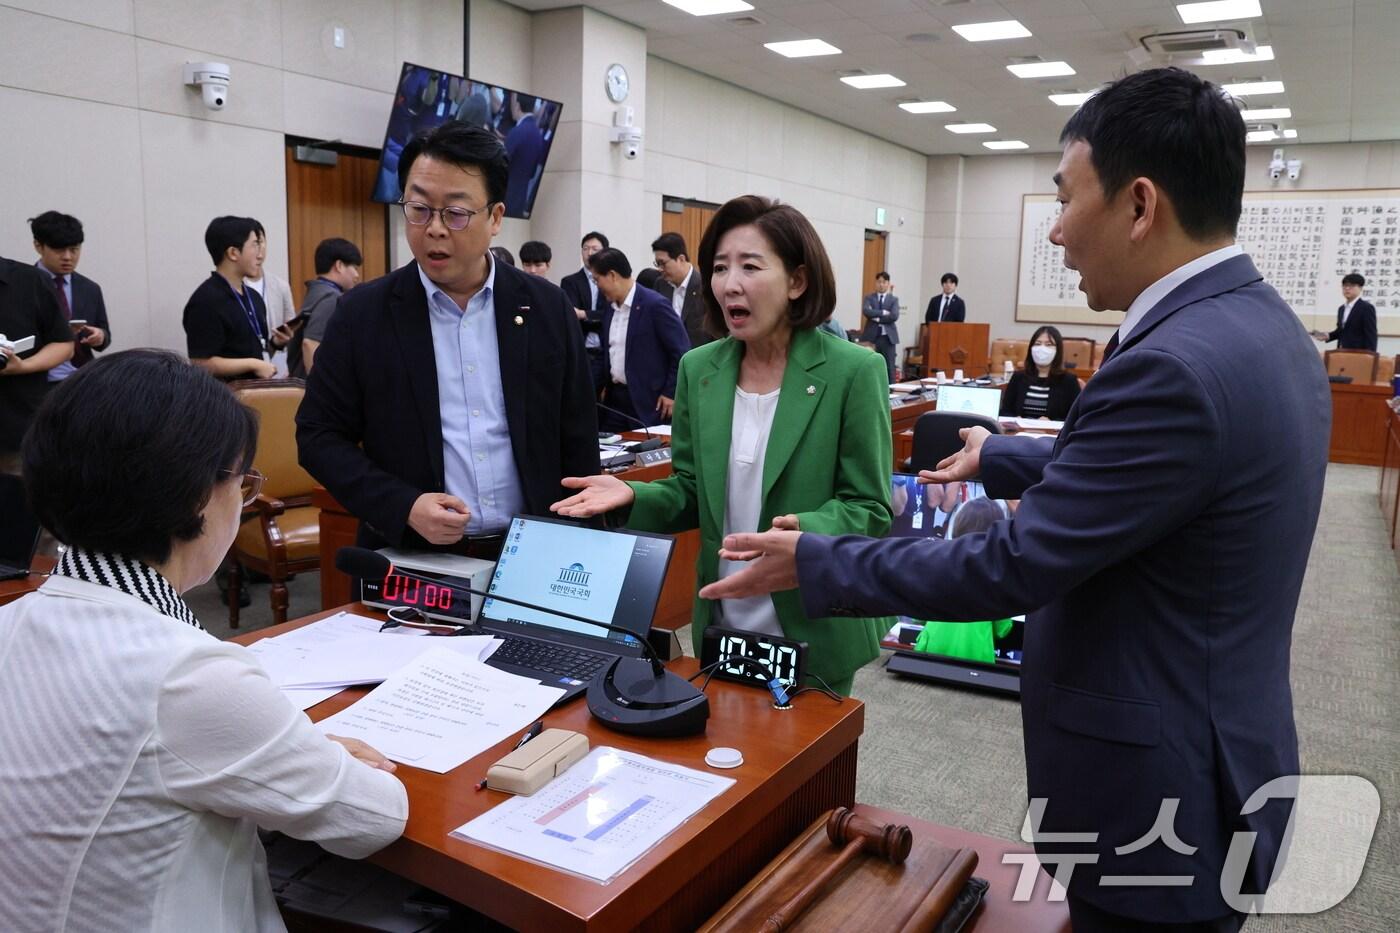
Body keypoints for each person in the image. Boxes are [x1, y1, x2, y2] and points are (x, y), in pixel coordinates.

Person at [698, 68, 1331, 931]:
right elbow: (1165, 484)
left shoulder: (1171, 365)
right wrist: (1004, 457)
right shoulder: (1261, 328)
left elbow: (1013, 564)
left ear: (1140, 205)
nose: (1060, 231)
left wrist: (813, 558)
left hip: (1160, 783)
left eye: (1067, 198)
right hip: (1217, 743)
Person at [0, 349, 406, 930]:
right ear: (196, 495)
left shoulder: (12, 622)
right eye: (243, 482)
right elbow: (373, 819)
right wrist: (329, 756)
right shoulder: (186, 673)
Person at [552, 195, 893, 695]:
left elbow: (870, 507)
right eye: (719, 268)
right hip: (723, 619)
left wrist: (802, 530)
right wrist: (633, 496)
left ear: (797, 281)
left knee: (812, 767)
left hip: (811, 622)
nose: (730, 283)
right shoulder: (700, 369)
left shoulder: (853, 371)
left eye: (750, 267)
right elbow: (691, 489)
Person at [297, 121, 599, 558]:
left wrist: (581, 543)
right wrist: (403, 505)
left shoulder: (545, 307)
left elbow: (578, 437)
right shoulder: (363, 314)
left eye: (455, 213)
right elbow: (318, 436)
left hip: (534, 552)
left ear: (495, 217)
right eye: (418, 209)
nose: (434, 229)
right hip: (415, 556)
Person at [183, 216, 294, 381]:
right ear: (233, 253)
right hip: (224, 401)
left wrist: (275, 344)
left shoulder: (253, 297)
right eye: (255, 245)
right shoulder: (205, 301)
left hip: (257, 395)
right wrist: (252, 364)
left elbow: (255, 352)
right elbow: (201, 363)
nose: (260, 254)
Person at [590, 247, 689, 430]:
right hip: (615, 402)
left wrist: (671, 393)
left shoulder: (655, 305)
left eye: (597, 280)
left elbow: (681, 351)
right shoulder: (610, 308)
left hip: (648, 404)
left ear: (612, 275)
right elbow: (606, 352)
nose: (597, 286)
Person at [0, 256, 71, 474]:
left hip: (16, 427)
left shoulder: (30, 280)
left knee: (20, 502)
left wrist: (23, 366)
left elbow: (64, 344)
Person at [29, 210, 111, 380]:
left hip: (82, 380)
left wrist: (100, 336)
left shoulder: (90, 288)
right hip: (38, 382)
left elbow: (105, 334)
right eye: (59, 250)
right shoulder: (23, 285)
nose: (67, 257)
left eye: (74, 249)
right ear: (38, 246)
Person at [293, 237, 362, 378]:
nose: (357, 275)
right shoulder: (331, 298)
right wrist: (318, 386)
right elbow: (310, 343)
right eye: (354, 268)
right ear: (339, 265)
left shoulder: (316, 292)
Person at [999, 325, 1081, 421]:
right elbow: (1005, 411)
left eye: (1049, 344)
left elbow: (1076, 417)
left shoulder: (1069, 381)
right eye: (1037, 344)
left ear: (1058, 350)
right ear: (1031, 348)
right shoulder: (1018, 377)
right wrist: (1014, 420)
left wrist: (1051, 423)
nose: (1042, 348)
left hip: (1052, 434)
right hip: (1019, 433)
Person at [560, 231, 610, 388]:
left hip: (607, 350)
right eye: (585, 248)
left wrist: (584, 314)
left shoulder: (611, 279)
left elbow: (611, 314)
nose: (589, 253)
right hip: (582, 350)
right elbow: (571, 315)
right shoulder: (570, 282)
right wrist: (595, 317)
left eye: (595, 249)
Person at [652, 231, 711, 349]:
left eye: (662, 263)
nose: (660, 269)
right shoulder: (660, 285)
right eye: (657, 264)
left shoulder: (705, 286)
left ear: (681, 259)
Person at [1310, 273, 1377, 351]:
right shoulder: (1341, 309)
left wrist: (1371, 356)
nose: (1347, 288)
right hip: (1341, 352)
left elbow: (1371, 335)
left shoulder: (1366, 308)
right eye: (1345, 286)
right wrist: (1327, 335)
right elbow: (1341, 331)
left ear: (1360, 288)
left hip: (1359, 354)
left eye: (1351, 286)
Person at [504, 93, 545, 217]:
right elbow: (532, 173)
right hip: (521, 199)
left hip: (505, 197)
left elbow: (501, 164)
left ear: (517, 105)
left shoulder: (516, 132)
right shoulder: (538, 135)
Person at [859, 271, 899, 382]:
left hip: (887, 338)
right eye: (879, 282)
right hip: (871, 337)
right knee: (870, 365)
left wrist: (876, 318)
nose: (881, 284)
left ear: (888, 283)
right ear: (876, 283)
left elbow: (894, 316)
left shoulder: (893, 300)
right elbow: (866, 311)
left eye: (884, 282)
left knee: (889, 366)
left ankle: (891, 392)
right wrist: (883, 312)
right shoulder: (869, 298)